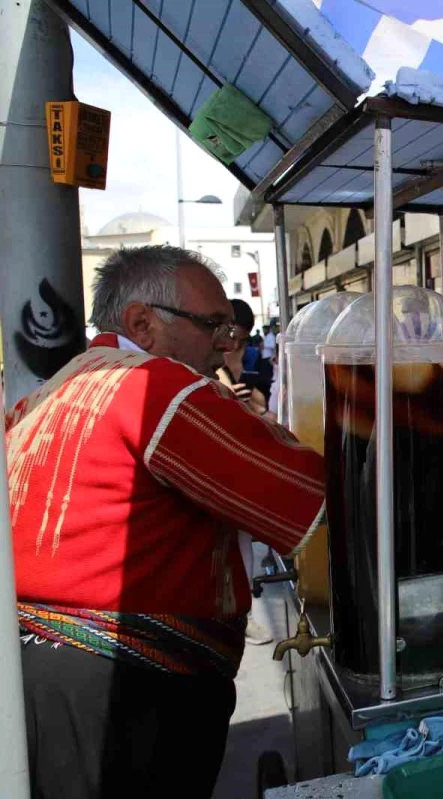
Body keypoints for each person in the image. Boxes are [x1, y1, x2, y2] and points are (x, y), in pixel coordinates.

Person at [9, 245, 326, 799]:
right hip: (124, 688)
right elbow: (308, 492)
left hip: (41, 675)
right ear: (142, 323)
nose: (226, 345)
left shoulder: (50, 390)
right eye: (213, 327)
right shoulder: (158, 387)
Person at [216, 299, 274, 646]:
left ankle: (244, 612)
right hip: (220, 456)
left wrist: (256, 405)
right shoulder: (207, 363)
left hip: (249, 453)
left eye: (240, 333)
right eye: (228, 331)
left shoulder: (256, 363)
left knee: (242, 540)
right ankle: (236, 613)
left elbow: (267, 410)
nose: (233, 340)